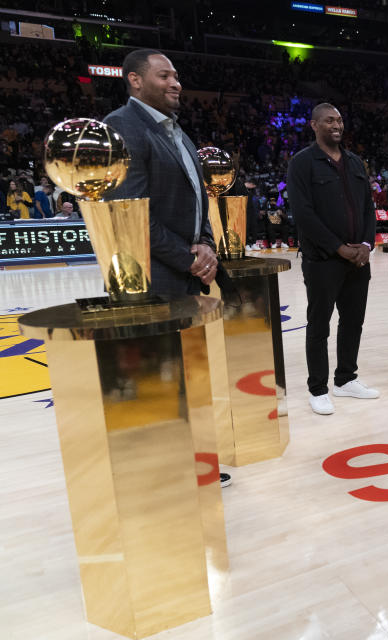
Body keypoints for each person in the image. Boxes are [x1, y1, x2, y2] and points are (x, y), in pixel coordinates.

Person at [103, 49, 230, 488]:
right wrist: (189, 257)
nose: (176, 83)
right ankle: (159, 473)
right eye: (164, 76)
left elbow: (200, 201)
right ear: (135, 81)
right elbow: (129, 211)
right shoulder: (122, 127)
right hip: (152, 276)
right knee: (157, 375)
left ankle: (190, 462)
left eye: (176, 75)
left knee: (187, 372)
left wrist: (209, 245)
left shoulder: (178, 132)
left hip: (185, 272)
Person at [287, 103, 379, 415]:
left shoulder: (355, 162)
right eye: (329, 120)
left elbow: (368, 207)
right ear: (314, 125)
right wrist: (339, 248)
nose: (336, 125)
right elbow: (303, 214)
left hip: (358, 259)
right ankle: (318, 388)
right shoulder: (302, 163)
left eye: (339, 120)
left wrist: (367, 244)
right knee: (319, 325)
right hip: (323, 261)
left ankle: (345, 379)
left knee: (353, 321)